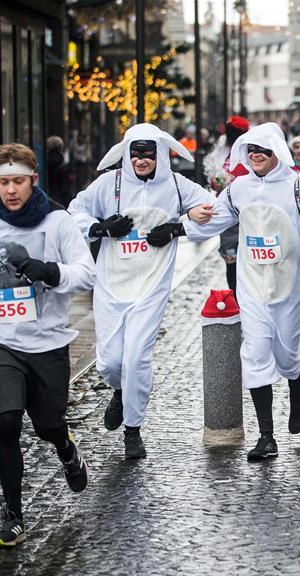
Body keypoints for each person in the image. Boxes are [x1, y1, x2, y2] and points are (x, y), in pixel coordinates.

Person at [0, 143, 96, 546]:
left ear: (32, 180)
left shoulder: (58, 223)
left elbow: (86, 274)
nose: (11, 190)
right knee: (7, 423)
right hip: (1, 341)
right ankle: (13, 517)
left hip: (47, 343)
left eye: (18, 181)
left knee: (49, 426)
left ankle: (66, 448)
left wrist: (52, 271)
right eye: (3, 183)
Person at [68, 123, 212, 459]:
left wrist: (178, 228)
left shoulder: (176, 185)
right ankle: (119, 391)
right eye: (136, 152)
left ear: (159, 154)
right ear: (127, 153)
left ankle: (133, 430)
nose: (142, 160)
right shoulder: (109, 184)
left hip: (150, 287)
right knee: (111, 361)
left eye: (148, 153)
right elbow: (74, 211)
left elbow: (214, 211)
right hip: (112, 285)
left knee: (136, 357)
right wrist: (100, 227)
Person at [184, 123, 300, 461]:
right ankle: (266, 436)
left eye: (264, 150)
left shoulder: (299, 187)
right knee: (256, 351)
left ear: (277, 152)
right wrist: (185, 220)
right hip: (252, 284)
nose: (257, 156)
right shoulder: (238, 188)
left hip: (291, 285)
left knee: (287, 350)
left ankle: (295, 385)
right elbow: (213, 219)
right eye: (252, 151)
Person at [205, 115, 251, 290]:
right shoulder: (220, 150)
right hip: (226, 210)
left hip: (247, 211)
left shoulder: (249, 151)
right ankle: (234, 297)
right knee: (230, 258)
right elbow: (212, 172)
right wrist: (215, 182)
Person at [46, 136, 74, 207]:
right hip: (59, 200)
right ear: (60, 148)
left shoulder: (44, 161)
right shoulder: (62, 164)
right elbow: (65, 188)